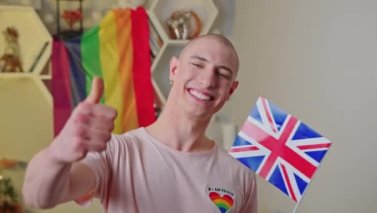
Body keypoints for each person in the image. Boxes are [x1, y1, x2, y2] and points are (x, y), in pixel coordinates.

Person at [22, 34, 258, 213]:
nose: (208, 80)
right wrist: (57, 155)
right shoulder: (116, 152)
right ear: (174, 69)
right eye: (198, 64)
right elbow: (37, 196)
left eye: (223, 74)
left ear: (230, 90)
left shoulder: (241, 175)